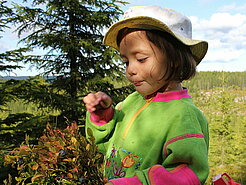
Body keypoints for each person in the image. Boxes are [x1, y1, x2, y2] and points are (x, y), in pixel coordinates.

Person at [83, 5, 209, 185]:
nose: (130, 70)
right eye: (126, 61)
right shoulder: (133, 101)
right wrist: (103, 117)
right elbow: (104, 146)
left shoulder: (183, 115)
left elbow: (188, 175)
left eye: (141, 59)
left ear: (173, 59)